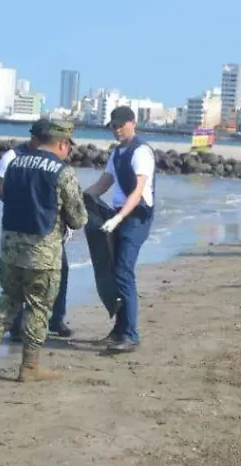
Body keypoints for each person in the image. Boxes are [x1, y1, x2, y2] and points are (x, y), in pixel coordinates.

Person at [0, 118, 86, 380]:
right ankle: (29, 366)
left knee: (9, 297)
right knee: (39, 307)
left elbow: (4, 195)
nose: (68, 150)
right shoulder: (63, 171)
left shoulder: (15, 163)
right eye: (68, 145)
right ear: (61, 143)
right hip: (43, 251)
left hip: (10, 247)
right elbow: (78, 218)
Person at [83, 106, 156, 353]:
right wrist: (81, 197)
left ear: (132, 123)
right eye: (113, 126)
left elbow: (138, 191)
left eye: (119, 125)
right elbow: (103, 183)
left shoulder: (141, 152)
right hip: (119, 214)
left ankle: (131, 335)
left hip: (137, 216)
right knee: (113, 270)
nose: (116, 130)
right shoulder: (117, 153)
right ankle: (118, 330)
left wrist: (119, 218)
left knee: (124, 271)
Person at [0, 119, 74, 339]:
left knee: (61, 272)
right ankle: (18, 326)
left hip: (50, 228)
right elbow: (1, 191)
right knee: (19, 280)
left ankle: (56, 319)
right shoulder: (12, 157)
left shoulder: (57, 160)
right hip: (22, 227)